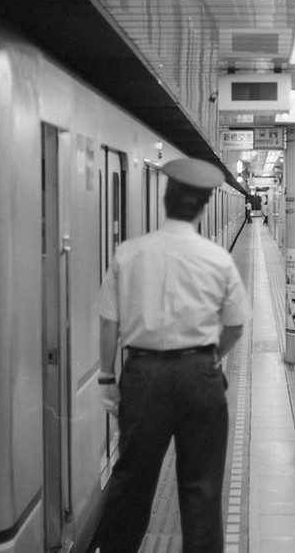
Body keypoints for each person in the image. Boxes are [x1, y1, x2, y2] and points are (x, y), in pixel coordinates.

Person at [92, 158, 252, 553]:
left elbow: (109, 322)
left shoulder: (128, 253)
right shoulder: (217, 258)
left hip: (144, 376)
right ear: (201, 208)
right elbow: (235, 325)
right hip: (200, 374)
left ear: (164, 201)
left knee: (132, 480)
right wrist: (214, 358)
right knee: (201, 487)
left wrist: (107, 379)